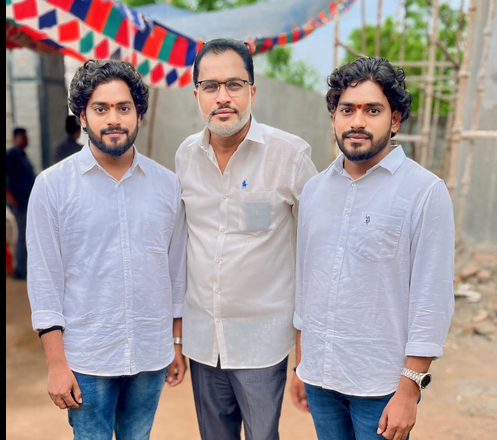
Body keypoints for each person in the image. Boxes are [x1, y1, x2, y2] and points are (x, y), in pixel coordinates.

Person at [293, 57, 455, 440]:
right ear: (334, 116)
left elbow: (431, 300)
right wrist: (301, 365)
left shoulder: (424, 192)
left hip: (381, 387)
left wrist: (409, 390)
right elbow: (306, 283)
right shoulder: (314, 190)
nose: (357, 122)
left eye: (373, 110)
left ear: (395, 120)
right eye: (347, 109)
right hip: (320, 379)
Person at [26, 59, 187, 440]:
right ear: (83, 116)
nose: (113, 119)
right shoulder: (52, 187)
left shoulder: (167, 186)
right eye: (101, 109)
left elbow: (176, 272)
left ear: (139, 115)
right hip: (86, 358)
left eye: (123, 108)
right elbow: (45, 281)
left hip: (150, 353)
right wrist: (56, 364)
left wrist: (176, 344)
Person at [175, 38, 317, 440]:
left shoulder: (289, 156)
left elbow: (314, 254)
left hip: (262, 342)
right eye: (210, 86)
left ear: (252, 91)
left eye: (234, 85)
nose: (223, 97)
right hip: (203, 340)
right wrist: (177, 336)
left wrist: (305, 353)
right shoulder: (185, 156)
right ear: (197, 95)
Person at [6, 127, 36, 280]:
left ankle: (25, 268)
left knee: (27, 234)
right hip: (18, 202)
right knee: (23, 235)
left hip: (26, 200)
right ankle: (20, 270)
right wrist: (11, 198)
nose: (27, 140)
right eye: (23, 137)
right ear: (15, 138)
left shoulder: (23, 155)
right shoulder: (11, 155)